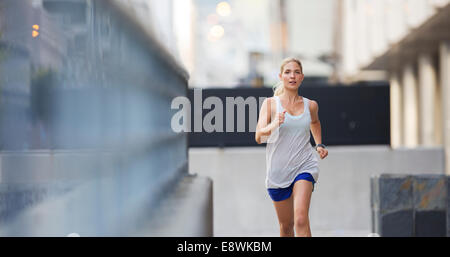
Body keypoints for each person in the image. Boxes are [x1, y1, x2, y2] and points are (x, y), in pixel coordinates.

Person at [255, 57, 328, 237]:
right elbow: (258, 136)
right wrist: (274, 125)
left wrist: (319, 144)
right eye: (287, 72)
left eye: (296, 72)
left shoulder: (310, 105)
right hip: (278, 172)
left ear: (302, 77)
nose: (292, 76)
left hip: (304, 166)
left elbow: (315, 122)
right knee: (286, 226)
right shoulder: (271, 104)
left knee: (301, 219)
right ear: (281, 76)